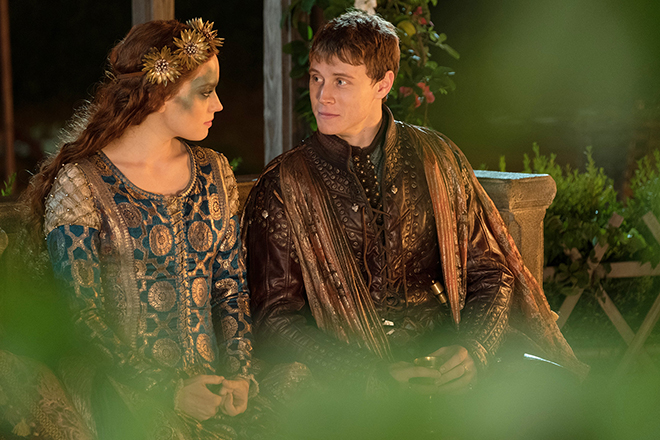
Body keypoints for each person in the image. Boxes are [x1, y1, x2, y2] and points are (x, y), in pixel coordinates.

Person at [242, 10, 588, 403]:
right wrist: (367, 373)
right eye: (316, 78)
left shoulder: (437, 159)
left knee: (562, 396)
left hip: (448, 362)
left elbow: (491, 273)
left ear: (383, 84)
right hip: (348, 379)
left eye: (341, 81)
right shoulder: (284, 184)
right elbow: (274, 317)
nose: (323, 96)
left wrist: (472, 349)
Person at [21, 18, 254, 440]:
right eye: (206, 92)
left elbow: (230, 288)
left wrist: (239, 375)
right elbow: (82, 317)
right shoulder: (81, 183)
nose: (219, 105)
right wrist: (170, 391)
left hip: (211, 388)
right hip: (120, 388)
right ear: (161, 95)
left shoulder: (214, 172)